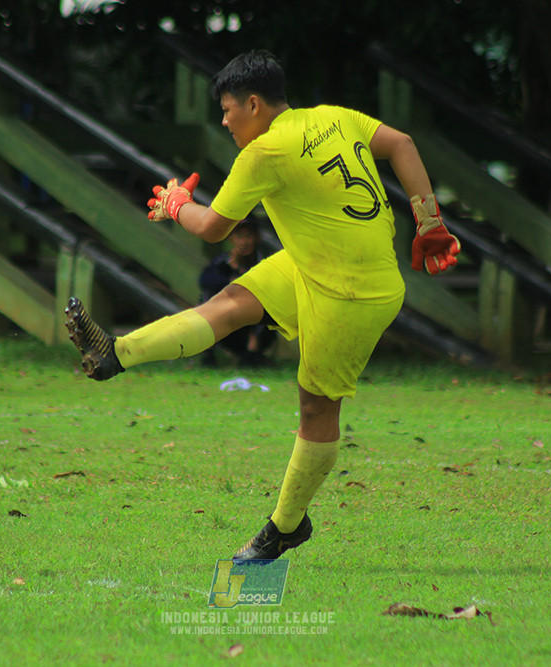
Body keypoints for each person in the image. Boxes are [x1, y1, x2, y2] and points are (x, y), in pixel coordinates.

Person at [65, 49, 459, 562]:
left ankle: (285, 526)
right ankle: (116, 353)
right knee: (230, 303)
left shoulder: (265, 152)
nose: (225, 121)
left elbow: (211, 229)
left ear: (254, 103)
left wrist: (175, 205)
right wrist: (428, 220)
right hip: (313, 262)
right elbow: (401, 144)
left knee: (316, 408)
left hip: (354, 293)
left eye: (228, 110)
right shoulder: (332, 117)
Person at [198, 219, 275, 367]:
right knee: (207, 297)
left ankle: (251, 353)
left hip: (256, 324)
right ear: (232, 238)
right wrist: (231, 281)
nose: (244, 242)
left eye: (249, 236)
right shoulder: (223, 263)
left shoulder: (263, 263)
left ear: (256, 238)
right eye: (240, 237)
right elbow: (204, 280)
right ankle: (207, 351)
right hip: (229, 324)